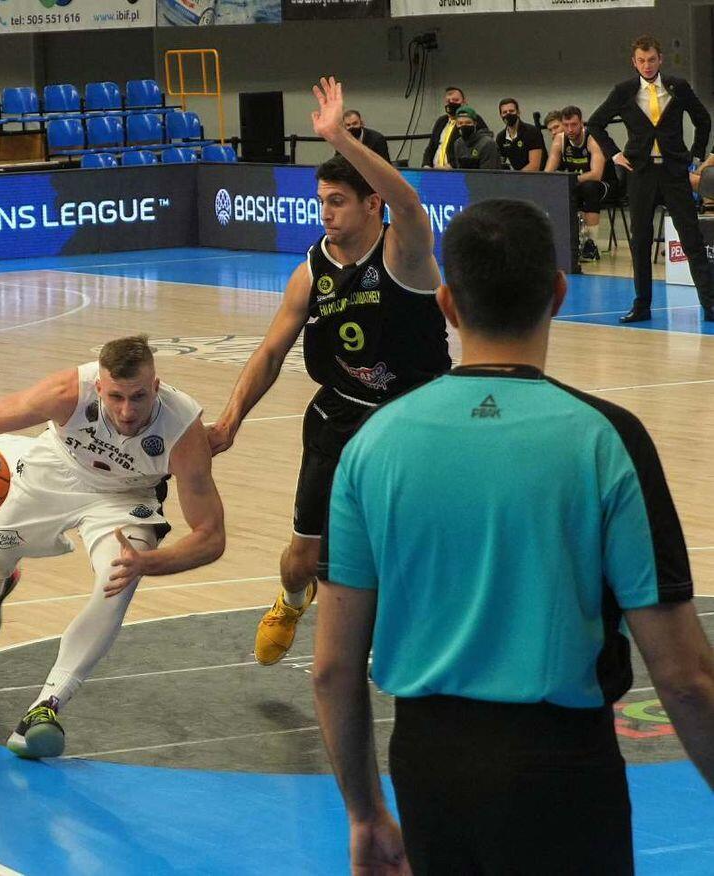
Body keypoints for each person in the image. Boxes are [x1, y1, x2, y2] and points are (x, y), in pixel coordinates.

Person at [313, 198, 714, 875]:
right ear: (558, 292)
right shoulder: (605, 440)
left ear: (446, 304)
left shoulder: (371, 445)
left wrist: (365, 812)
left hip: (428, 769)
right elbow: (683, 678)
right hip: (562, 769)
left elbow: (332, 669)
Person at [209, 77, 450, 667]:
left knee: (405, 545)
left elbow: (410, 204)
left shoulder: (404, 253)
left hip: (414, 417)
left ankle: (412, 629)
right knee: (301, 559)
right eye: (321, 200)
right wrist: (231, 420)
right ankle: (293, 600)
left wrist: (340, 136)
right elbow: (270, 353)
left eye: (338, 200)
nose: (326, 212)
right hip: (340, 415)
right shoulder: (309, 272)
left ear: (371, 203)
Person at [0, 335, 225, 759]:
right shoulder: (67, 393)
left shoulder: (182, 430)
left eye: (138, 396)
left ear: (156, 386)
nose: (127, 411)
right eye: (116, 397)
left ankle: (46, 706)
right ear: (98, 387)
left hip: (126, 496)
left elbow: (211, 535)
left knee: (117, 580)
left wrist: (151, 562)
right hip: (54, 473)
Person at [587, 34, 714, 322]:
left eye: (652, 59)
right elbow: (595, 123)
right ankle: (642, 305)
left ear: (661, 60)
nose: (647, 65)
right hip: (640, 173)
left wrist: (695, 155)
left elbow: (703, 119)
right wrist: (614, 154)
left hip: (674, 171)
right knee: (641, 240)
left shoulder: (677, 87)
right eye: (642, 60)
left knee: (691, 237)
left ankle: (709, 304)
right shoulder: (624, 91)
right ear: (634, 62)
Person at [545, 105, 620, 263]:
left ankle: (590, 245)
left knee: (589, 188)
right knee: (555, 188)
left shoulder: (592, 139)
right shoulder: (560, 141)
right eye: (566, 125)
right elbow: (548, 174)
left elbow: (596, 174)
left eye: (574, 125)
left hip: (605, 184)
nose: (570, 129)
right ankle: (563, 241)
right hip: (578, 184)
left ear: (581, 123)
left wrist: (570, 179)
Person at [420, 86, 485, 168]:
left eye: (455, 100)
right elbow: (431, 147)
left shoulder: (473, 120)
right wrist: (426, 165)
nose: (451, 103)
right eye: (448, 101)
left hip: (456, 170)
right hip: (435, 170)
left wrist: (451, 166)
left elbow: (476, 149)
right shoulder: (441, 121)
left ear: (464, 102)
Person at [495, 98, 545, 171]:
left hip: (537, 175)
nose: (508, 114)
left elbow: (534, 166)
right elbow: (500, 163)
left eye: (511, 111)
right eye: (504, 112)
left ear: (518, 112)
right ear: (501, 115)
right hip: (517, 175)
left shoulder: (532, 132)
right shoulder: (501, 137)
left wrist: (515, 177)